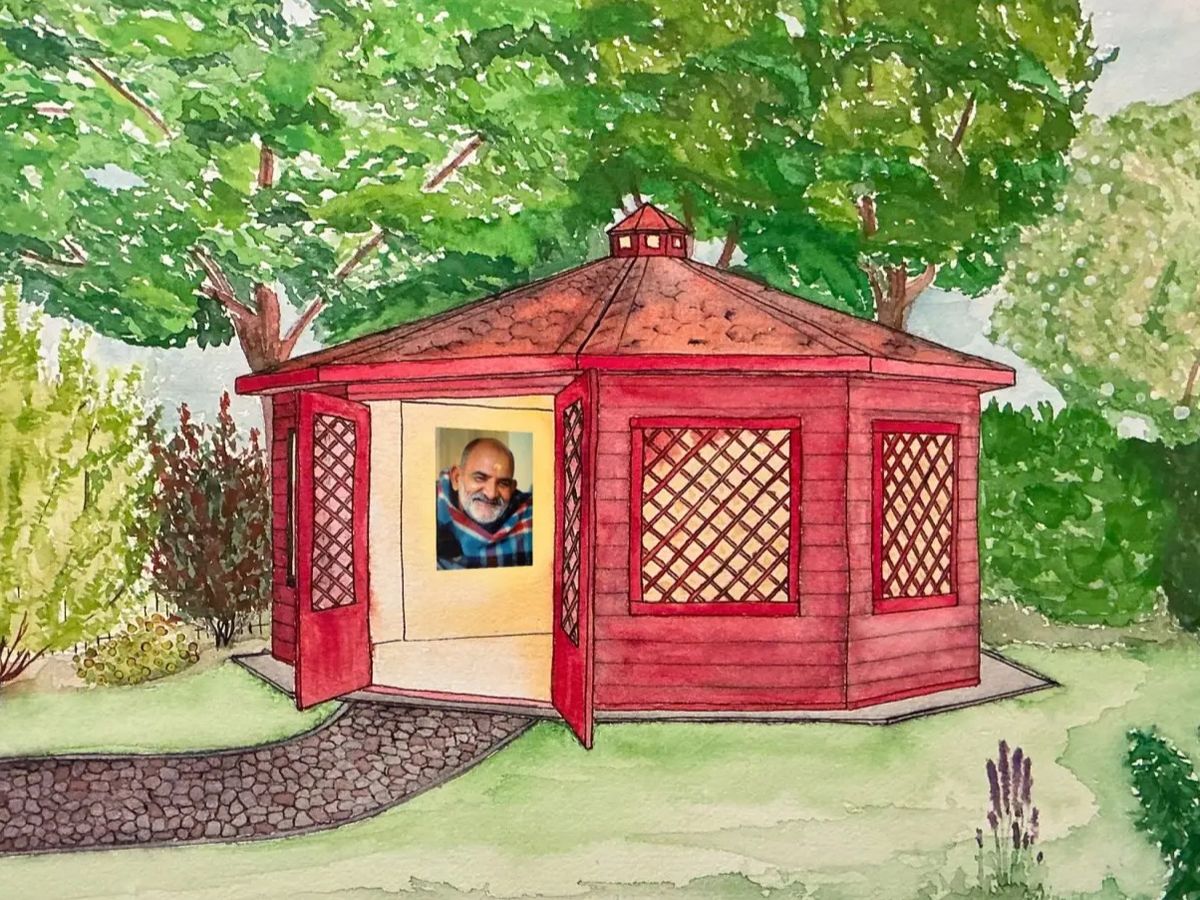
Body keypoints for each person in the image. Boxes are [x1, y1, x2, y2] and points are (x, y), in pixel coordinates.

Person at [436, 437, 533, 569]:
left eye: (503, 483)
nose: (491, 494)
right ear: (457, 478)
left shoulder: (531, 517)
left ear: (512, 488)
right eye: (480, 478)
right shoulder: (425, 508)